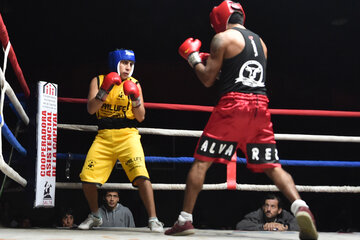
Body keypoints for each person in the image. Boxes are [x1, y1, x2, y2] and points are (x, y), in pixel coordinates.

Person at [165, 1, 318, 239]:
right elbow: (237, 75)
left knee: (202, 162)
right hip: (260, 107)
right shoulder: (261, 43)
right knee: (273, 166)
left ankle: (184, 220)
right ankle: (301, 205)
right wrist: (212, 61)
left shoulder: (222, 39)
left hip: (233, 107)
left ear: (219, 19)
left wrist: (193, 58)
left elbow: (207, 79)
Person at [78, 49, 163, 232]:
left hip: (128, 135)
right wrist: (105, 90)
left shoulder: (135, 84)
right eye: (124, 63)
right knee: (87, 179)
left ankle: (153, 219)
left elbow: (141, 117)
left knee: (142, 176)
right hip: (104, 136)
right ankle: (95, 216)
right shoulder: (99, 80)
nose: (128, 67)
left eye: (131, 64)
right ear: (115, 63)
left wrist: (135, 97)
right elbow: (91, 110)